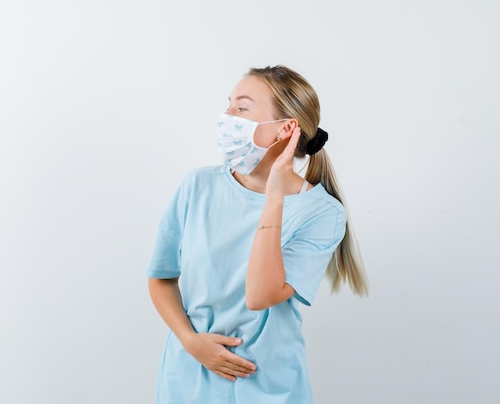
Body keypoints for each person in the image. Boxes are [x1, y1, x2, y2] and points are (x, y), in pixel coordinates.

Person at [146, 65, 368, 404]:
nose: (226, 115)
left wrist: (275, 196)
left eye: (242, 107)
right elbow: (161, 278)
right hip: (188, 380)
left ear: (285, 128)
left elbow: (260, 296)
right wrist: (191, 343)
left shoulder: (322, 213)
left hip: (268, 387)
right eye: (229, 104)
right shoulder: (197, 186)